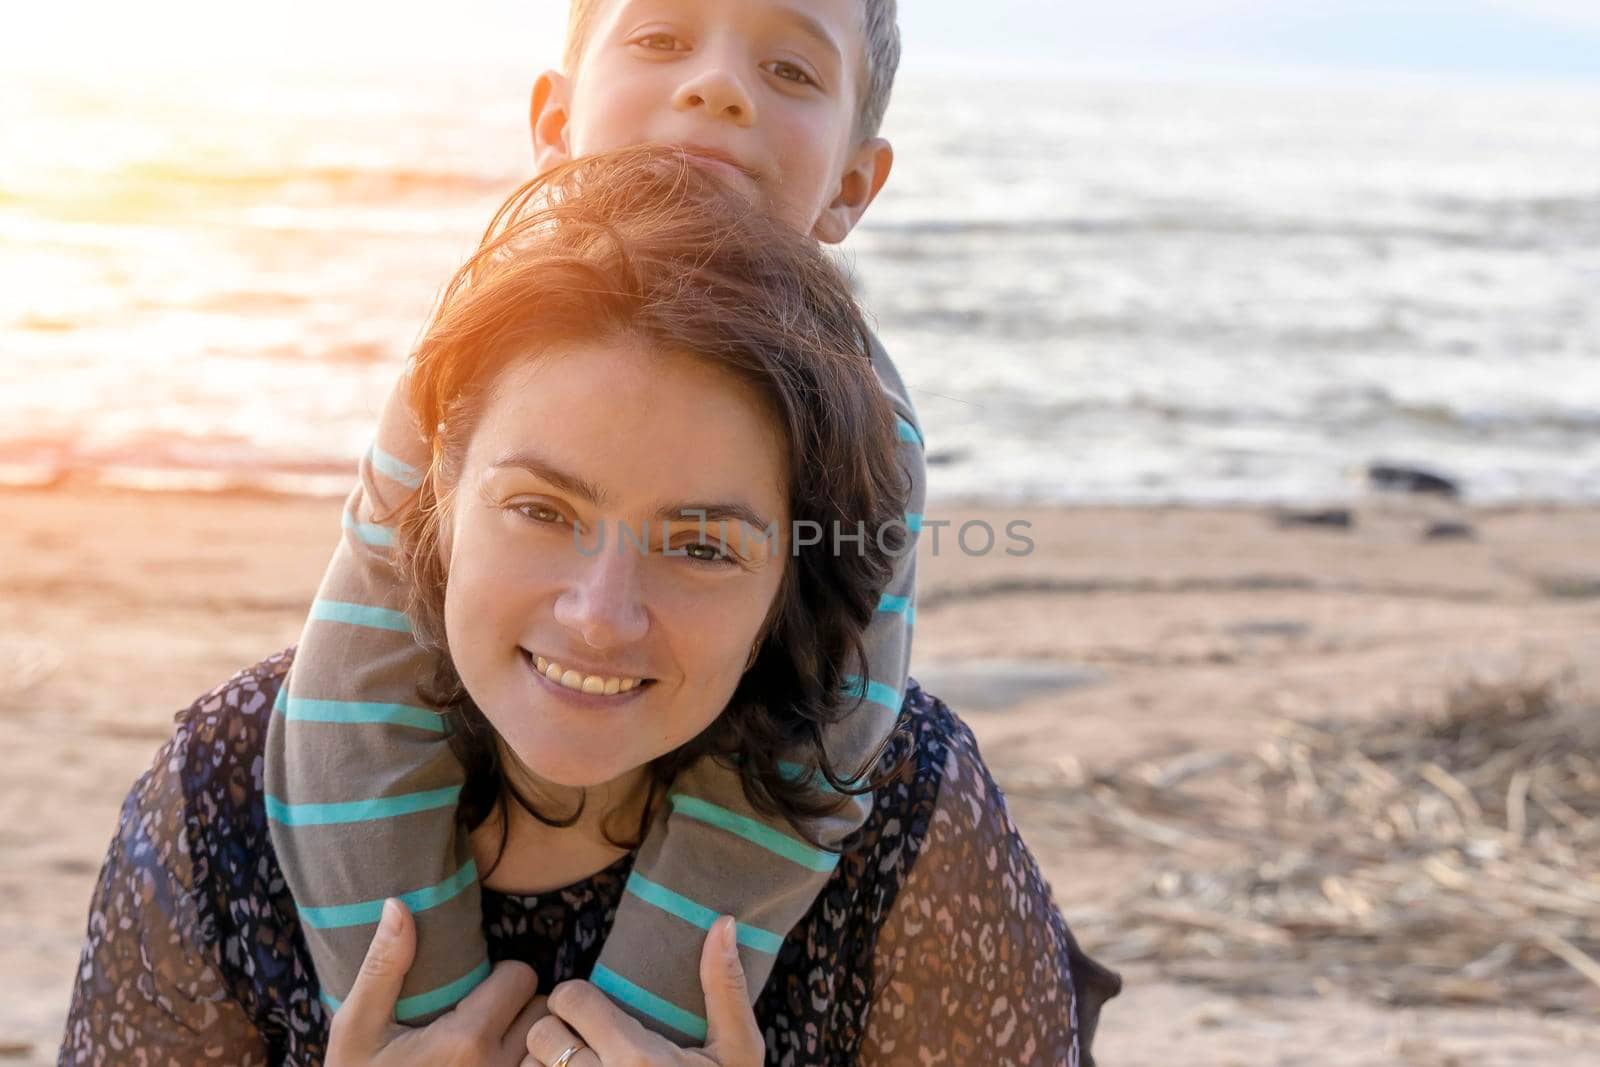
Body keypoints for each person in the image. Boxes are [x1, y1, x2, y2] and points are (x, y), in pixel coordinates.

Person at [60, 147, 1120, 1066]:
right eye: (540, 507)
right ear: (435, 490)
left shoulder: (903, 805)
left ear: (790, 572)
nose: (601, 614)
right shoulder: (223, 792)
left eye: (701, 544)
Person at [265, 0, 926, 1040]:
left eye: (791, 72)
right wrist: (423, 1016)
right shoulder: (473, 347)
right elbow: (357, 692)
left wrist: (632, 1030)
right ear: (554, 124)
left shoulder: (865, 428)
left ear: (851, 183)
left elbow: (815, 747)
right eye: (660, 38)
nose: (717, 87)